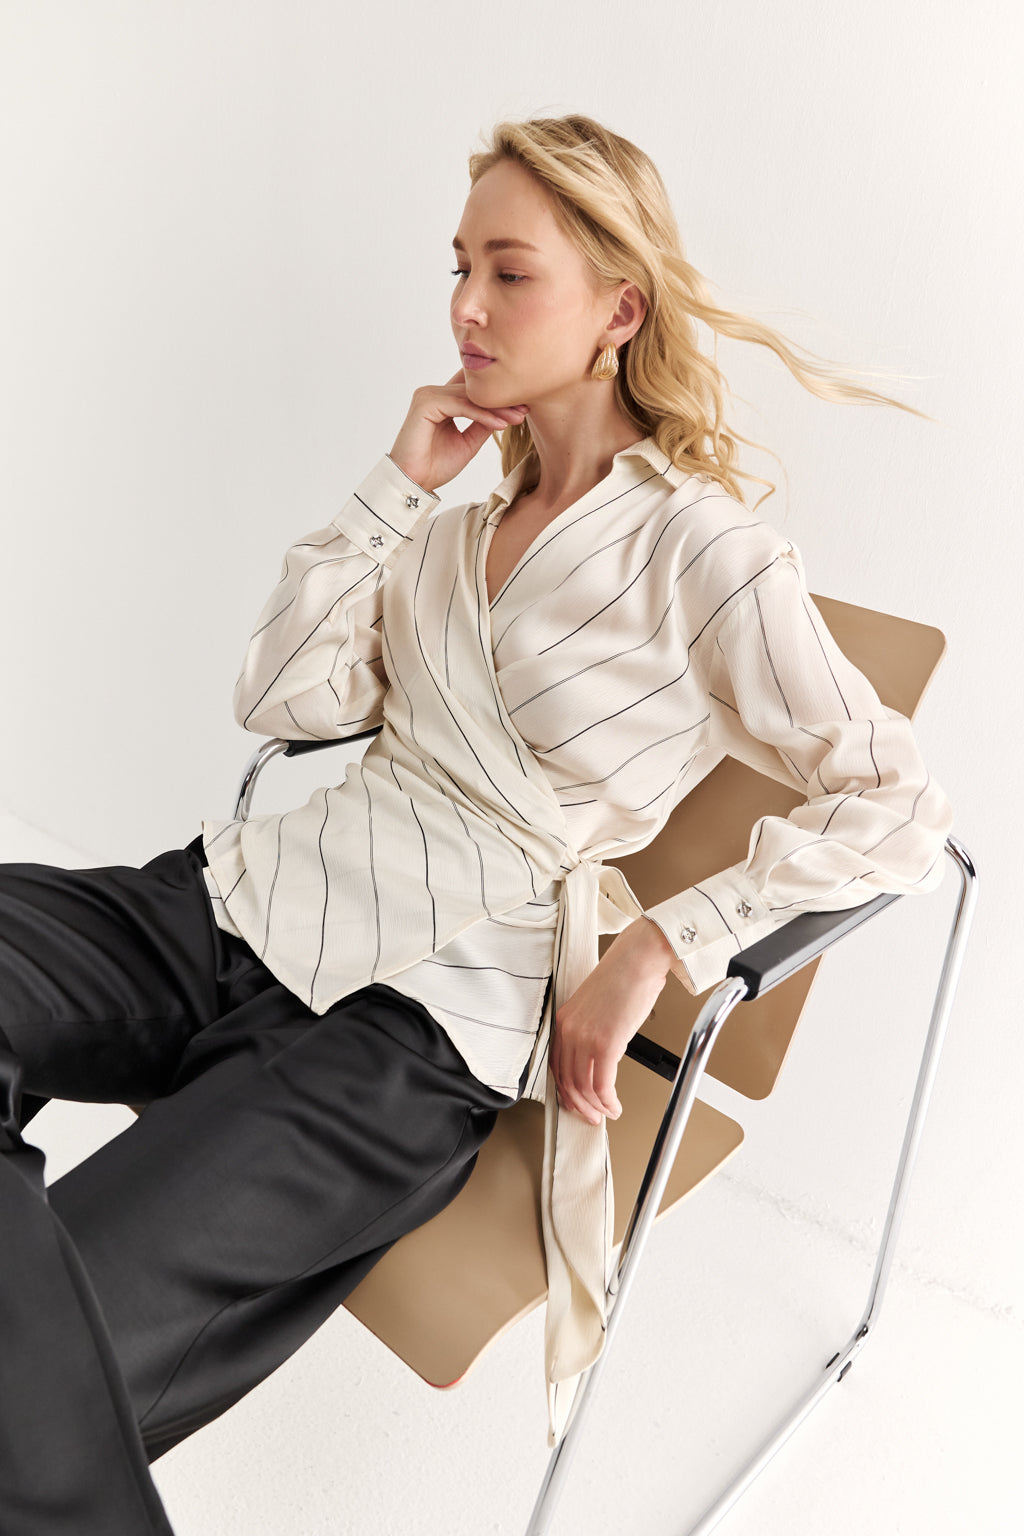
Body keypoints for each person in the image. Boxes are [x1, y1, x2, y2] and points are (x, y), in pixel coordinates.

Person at [0, 113, 952, 1533]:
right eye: (459, 269)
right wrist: (399, 485)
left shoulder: (704, 550)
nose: (463, 307)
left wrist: (661, 949)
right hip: (234, 906)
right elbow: (278, 694)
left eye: (509, 273)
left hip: (416, 1026)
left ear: (617, 309)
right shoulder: (446, 528)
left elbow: (899, 802)